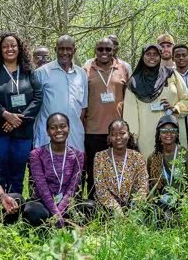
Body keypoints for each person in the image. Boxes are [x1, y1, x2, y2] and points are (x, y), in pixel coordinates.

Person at [0, 32, 42, 194]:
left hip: (23, 131)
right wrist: (6, 115)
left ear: (19, 48)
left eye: (13, 46)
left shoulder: (28, 71)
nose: (9, 49)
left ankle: (16, 204)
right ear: (0, 50)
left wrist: (18, 120)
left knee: (18, 173)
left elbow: (38, 97)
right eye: (5, 46)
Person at [23, 113, 95, 227]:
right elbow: (42, 188)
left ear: (68, 129)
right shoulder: (36, 154)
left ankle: (58, 223)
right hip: (43, 202)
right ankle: (62, 223)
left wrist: (59, 212)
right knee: (34, 213)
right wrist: (55, 212)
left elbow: (72, 188)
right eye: (53, 127)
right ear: (47, 132)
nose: (59, 130)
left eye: (63, 126)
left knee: (91, 207)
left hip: (68, 203)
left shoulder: (78, 155)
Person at [124, 44, 188, 157]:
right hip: (147, 136)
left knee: (176, 163)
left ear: (160, 56)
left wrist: (175, 108)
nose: (152, 57)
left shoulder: (171, 74)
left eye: (155, 54)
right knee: (152, 164)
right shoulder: (134, 82)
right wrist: (133, 138)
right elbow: (130, 114)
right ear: (142, 56)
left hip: (173, 131)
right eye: (148, 54)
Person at [83, 38, 129, 199]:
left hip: (117, 131)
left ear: (113, 51)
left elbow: (128, 98)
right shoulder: (86, 70)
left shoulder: (122, 68)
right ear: (95, 50)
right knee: (94, 170)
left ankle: (117, 202)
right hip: (93, 130)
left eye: (108, 49)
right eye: (100, 49)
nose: (104, 52)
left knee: (117, 169)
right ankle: (93, 204)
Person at [34, 35, 88, 151]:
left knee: (75, 163)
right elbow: (34, 104)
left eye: (68, 49)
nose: (64, 52)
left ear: (74, 50)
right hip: (47, 136)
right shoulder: (42, 73)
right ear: (55, 50)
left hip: (74, 136)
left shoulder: (82, 74)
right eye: (61, 49)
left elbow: (83, 108)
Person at [93, 119, 149, 215]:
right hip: (108, 208)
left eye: (122, 133)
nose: (118, 137)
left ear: (129, 135)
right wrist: (116, 209)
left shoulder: (137, 157)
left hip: (134, 208)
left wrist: (134, 208)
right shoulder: (100, 157)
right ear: (109, 137)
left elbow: (143, 186)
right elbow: (100, 188)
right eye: (114, 134)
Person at [147, 115, 188, 211]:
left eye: (173, 130)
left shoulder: (187, 154)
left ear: (177, 133)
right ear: (159, 134)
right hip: (161, 207)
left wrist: (185, 205)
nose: (168, 133)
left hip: (183, 205)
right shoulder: (153, 158)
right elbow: (150, 186)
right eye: (164, 131)